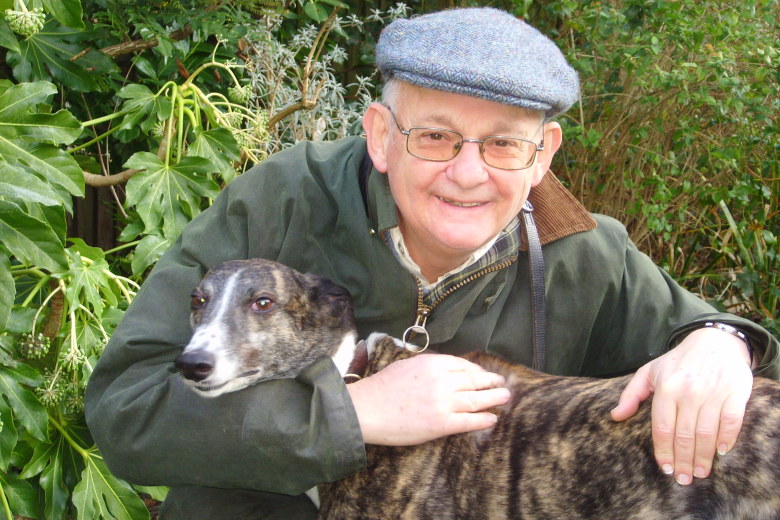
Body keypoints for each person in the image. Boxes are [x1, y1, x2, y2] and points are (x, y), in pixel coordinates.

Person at [84, 7, 779, 519]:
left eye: (505, 144)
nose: (469, 174)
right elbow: (126, 411)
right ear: (382, 136)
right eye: (438, 136)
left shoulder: (582, 249)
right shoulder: (283, 202)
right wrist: (351, 413)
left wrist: (722, 344)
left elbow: (726, 360)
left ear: (544, 156)